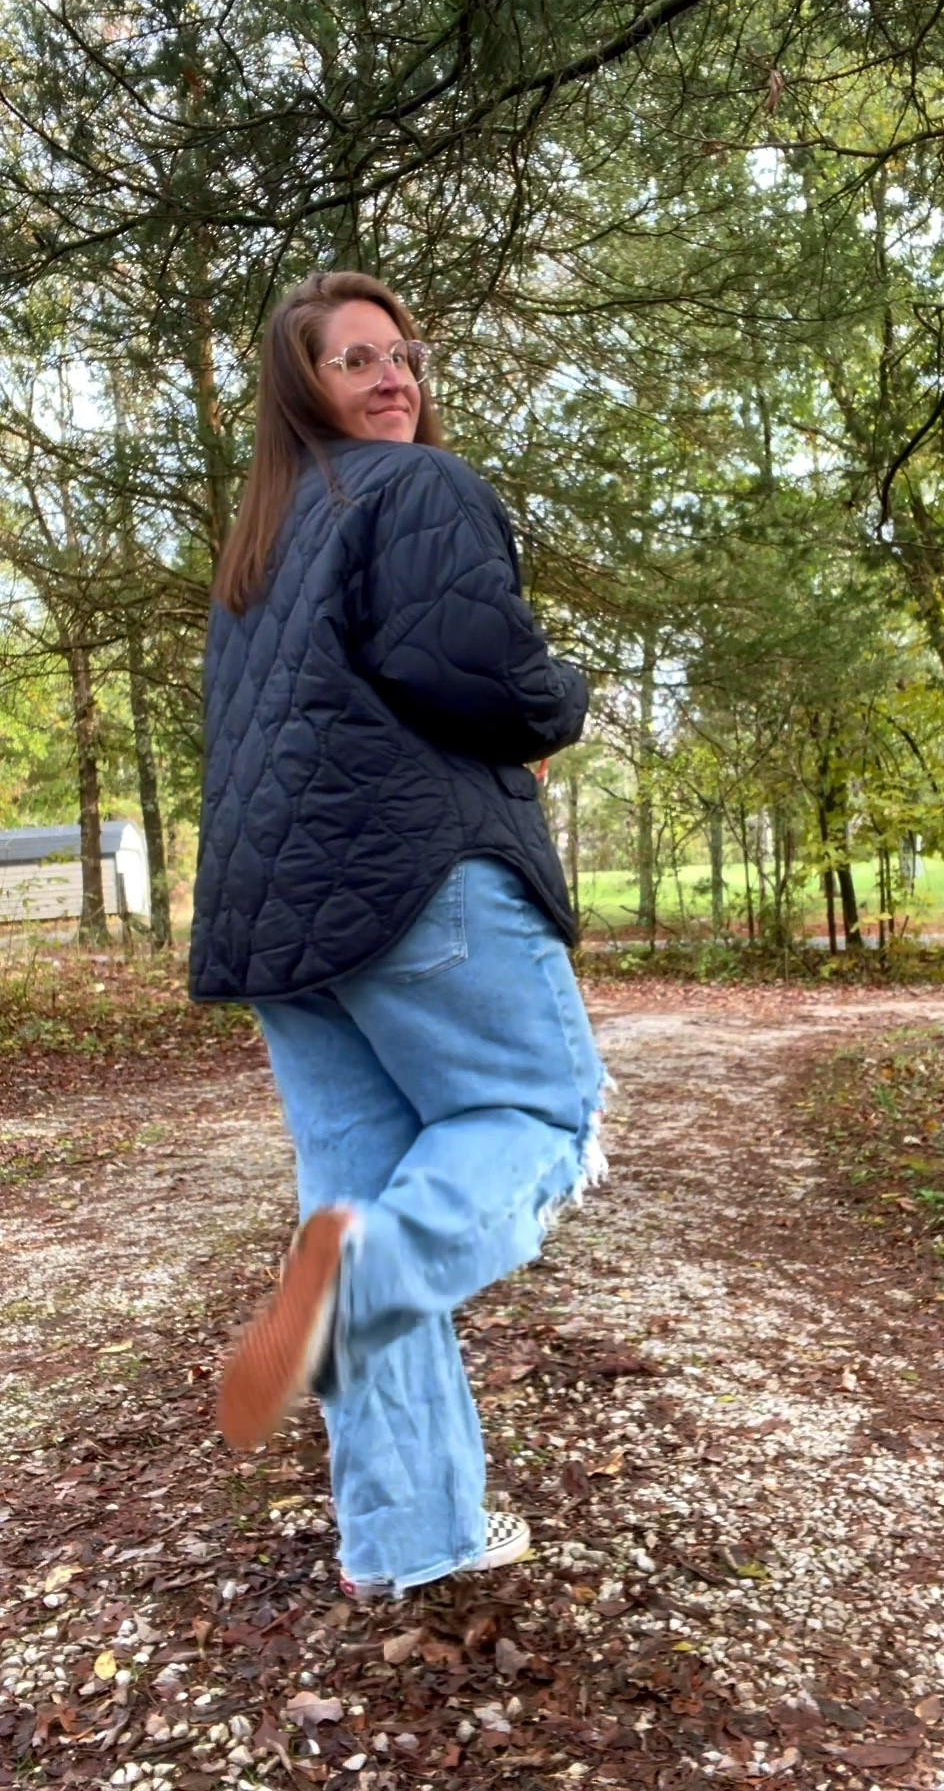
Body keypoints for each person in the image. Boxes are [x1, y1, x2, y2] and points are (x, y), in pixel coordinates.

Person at [189, 270, 606, 1599]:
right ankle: (347, 1294)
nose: (390, 377)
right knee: (544, 1113)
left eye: (400, 353)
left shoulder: (252, 564)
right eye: (350, 360)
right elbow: (473, 668)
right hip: (412, 876)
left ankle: (409, 1540)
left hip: (277, 922)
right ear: (299, 394)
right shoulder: (417, 490)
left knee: (355, 1194)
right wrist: (565, 699)